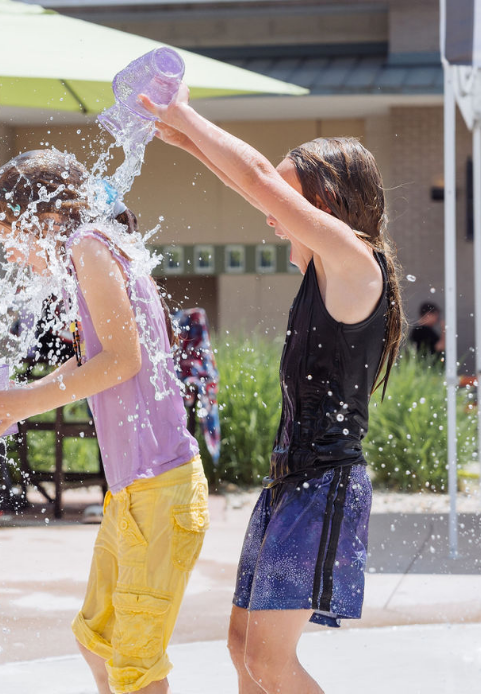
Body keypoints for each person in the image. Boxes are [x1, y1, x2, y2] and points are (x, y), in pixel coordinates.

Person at [140, 88, 404, 693]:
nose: (270, 211)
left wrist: (184, 114)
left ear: (327, 206)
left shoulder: (357, 266)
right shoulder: (327, 267)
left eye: (290, 199)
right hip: (290, 484)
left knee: (267, 662)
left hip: (325, 486)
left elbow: (259, 178)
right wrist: (192, 145)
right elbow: (254, 184)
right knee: (243, 649)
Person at [0, 149, 209, 694]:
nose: (8, 250)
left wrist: (23, 403)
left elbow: (125, 360)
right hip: (134, 492)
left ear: (46, 219)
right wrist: (19, 398)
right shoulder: (96, 250)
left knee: (134, 666)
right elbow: (97, 354)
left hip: (159, 488)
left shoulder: (88, 249)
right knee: (95, 637)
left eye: (8, 233)